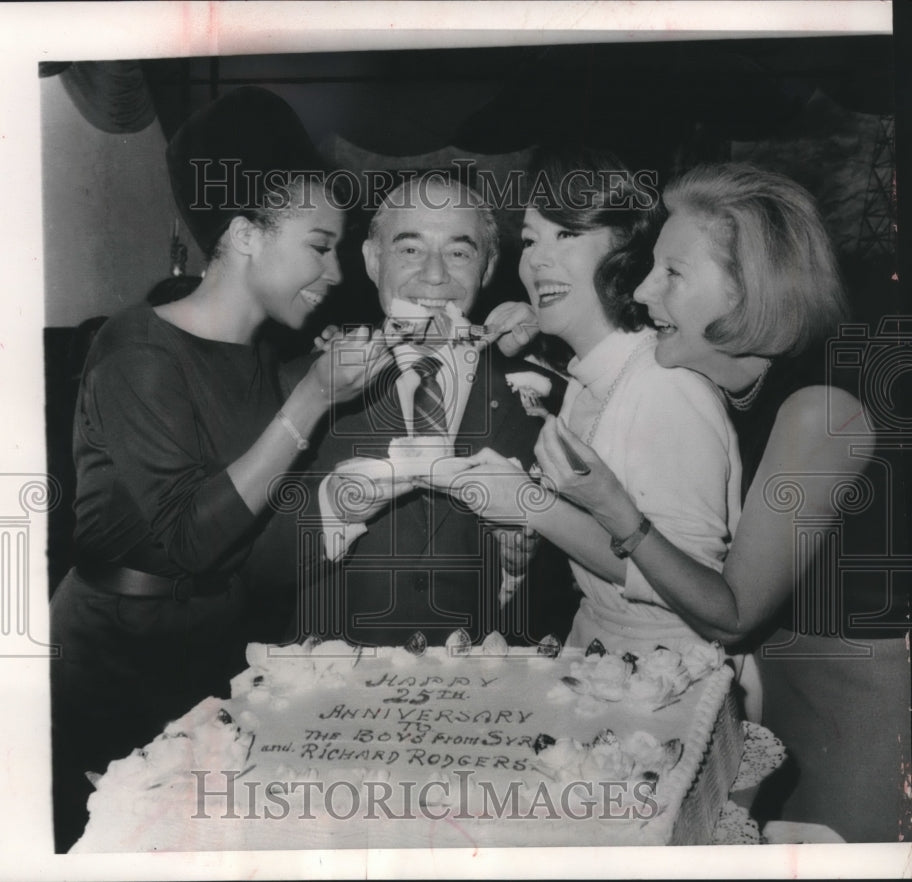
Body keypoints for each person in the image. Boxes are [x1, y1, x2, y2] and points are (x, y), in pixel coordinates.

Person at [49, 87, 389, 851]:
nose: (334, 271)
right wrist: (308, 402)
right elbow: (186, 541)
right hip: (113, 671)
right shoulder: (135, 351)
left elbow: (262, 535)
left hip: (209, 660)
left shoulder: (266, 358)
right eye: (318, 243)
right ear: (242, 234)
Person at [529, 162, 909, 842]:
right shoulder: (752, 382)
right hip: (792, 683)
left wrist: (619, 513)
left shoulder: (820, 409)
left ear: (746, 288)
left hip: (863, 705)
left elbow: (732, 615)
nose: (643, 290)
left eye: (672, 274)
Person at [427, 147, 743, 661]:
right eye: (530, 240)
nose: (537, 260)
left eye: (567, 234)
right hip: (596, 653)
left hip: (672, 671)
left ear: (623, 245)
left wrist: (532, 506)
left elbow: (702, 597)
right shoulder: (584, 379)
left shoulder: (665, 388)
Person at [296, 173, 572, 648]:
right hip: (331, 694)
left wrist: (519, 566)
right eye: (410, 249)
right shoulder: (301, 383)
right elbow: (249, 564)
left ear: (487, 268)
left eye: (460, 252)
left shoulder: (552, 398)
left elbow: (577, 588)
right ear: (371, 259)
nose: (435, 275)